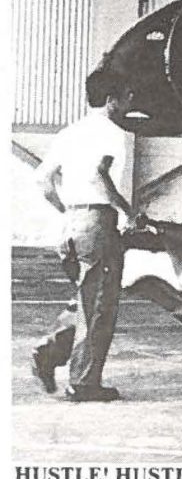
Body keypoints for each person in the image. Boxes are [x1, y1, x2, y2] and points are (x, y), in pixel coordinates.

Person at [31, 71, 135, 402]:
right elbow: (100, 173)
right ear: (111, 100)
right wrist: (127, 210)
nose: (130, 102)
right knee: (100, 305)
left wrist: (68, 211)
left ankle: (50, 353)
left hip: (71, 223)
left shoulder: (69, 132)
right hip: (97, 221)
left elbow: (44, 181)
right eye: (127, 96)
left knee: (84, 298)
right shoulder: (112, 132)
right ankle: (85, 382)